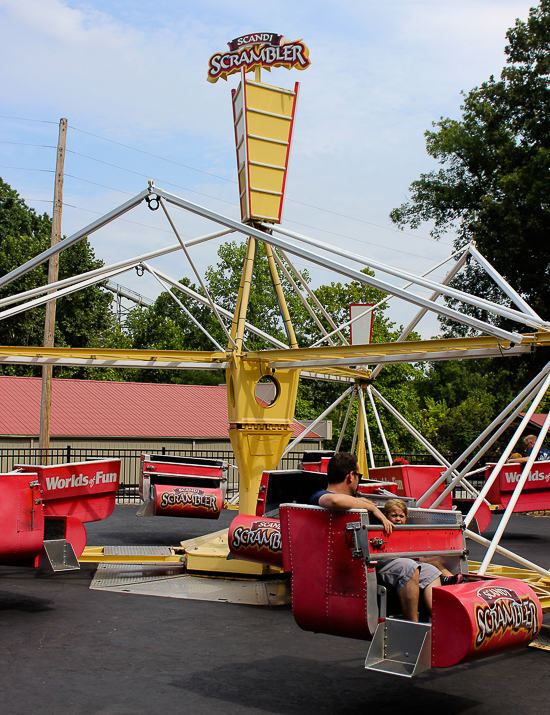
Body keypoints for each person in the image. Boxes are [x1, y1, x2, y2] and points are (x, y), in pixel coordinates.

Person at [308, 452, 441, 622]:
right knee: (408, 568)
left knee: (430, 571)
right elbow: (334, 501)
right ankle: (412, 627)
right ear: (351, 476)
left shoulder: (355, 499)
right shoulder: (319, 497)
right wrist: (372, 509)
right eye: (359, 475)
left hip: (371, 557)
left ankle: (439, 623)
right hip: (351, 565)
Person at [384, 499, 464, 586]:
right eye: (394, 515)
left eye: (401, 516)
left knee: (435, 561)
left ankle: (453, 580)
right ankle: (450, 580)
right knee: (432, 561)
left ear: (406, 517)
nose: (398, 519)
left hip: (410, 561)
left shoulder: (405, 531)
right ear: (386, 516)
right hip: (401, 564)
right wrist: (425, 559)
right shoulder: (385, 531)